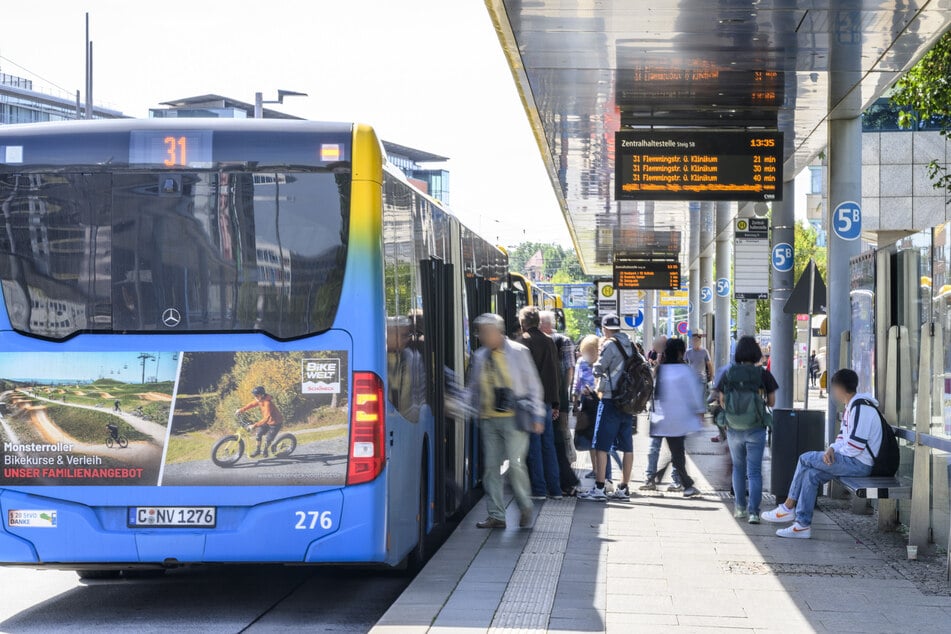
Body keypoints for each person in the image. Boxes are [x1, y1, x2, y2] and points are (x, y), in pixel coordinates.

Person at [761, 369, 881, 539]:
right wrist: (832, 448)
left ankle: (788, 507)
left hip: (859, 464)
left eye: (832, 388)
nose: (832, 392)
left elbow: (855, 446)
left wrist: (835, 452)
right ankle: (802, 525)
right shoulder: (852, 406)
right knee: (811, 474)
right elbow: (843, 438)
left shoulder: (861, 408)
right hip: (852, 460)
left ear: (839, 388)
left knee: (805, 458)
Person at [466, 313, 544, 529]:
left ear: (497, 332)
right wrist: (464, 407)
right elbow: (474, 388)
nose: (481, 336)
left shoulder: (519, 352)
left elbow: (533, 384)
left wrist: (538, 415)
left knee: (516, 463)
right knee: (491, 468)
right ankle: (497, 515)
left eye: (485, 332)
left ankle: (525, 506)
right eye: (480, 332)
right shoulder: (480, 356)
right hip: (489, 419)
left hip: (514, 418)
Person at [718, 336, 778, 523]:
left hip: (734, 428)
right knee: (754, 471)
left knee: (738, 468)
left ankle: (739, 508)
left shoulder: (729, 373)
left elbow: (721, 400)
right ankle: (754, 512)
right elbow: (772, 401)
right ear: (756, 353)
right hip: (756, 428)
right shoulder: (762, 374)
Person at [580, 313, 637, 501]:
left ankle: (599, 488)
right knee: (627, 446)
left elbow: (597, 368)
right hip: (628, 402)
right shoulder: (633, 345)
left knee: (601, 445)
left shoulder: (609, 345)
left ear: (605, 328)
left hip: (611, 400)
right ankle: (624, 487)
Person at [648, 337, 704, 497]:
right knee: (677, 452)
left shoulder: (661, 369)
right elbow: (694, 394)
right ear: (680, 352)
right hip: (680, 418)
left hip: (662, 418)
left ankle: (659, 477)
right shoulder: (685, 370)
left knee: (676, 451)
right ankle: (686, 485)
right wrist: (700, 413)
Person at [519, 306, 562, 498]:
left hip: (530, 401)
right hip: (546, 401)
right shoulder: (549, 341)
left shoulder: (524, 342)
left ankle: (538, 489)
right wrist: (555, 403)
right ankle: (555, 489)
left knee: (534, 446)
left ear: (523, 323)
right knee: (548, 445)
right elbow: (555, 374)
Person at [540, 310, 581, 496]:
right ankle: (563, 480)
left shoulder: (558, 341)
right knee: (558, 440)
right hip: (558, 399)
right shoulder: (562, 341)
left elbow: (569, 371)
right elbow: (569, 371)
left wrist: (564, 399)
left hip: (555, 401)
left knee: (558, 440)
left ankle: (566, 481)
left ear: (544, 325)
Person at [573, 334, 619, 483]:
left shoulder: (603, 363)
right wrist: (575, 399)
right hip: (587, 402)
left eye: (591, 350)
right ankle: (596, 470)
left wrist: (593, 391)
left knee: (601, 440)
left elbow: (605, 384)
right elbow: (577, 382)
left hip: (599, 401)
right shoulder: (581, 362)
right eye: (586, 350)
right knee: (590, 439)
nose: (588, 354)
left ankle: (606, 475)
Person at [236, 385, 285, 458]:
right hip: (267, 422)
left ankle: (265, 450)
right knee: (258, 434)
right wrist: (241, 410)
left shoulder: (267, 403)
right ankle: (258, 451)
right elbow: (252, 404)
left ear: (262, 395)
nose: (255, 397)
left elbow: (266, 418)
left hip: (275, 423)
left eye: (256, 395)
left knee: (268, 439)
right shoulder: (260, 400)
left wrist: (254, 425)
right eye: (254, 395)